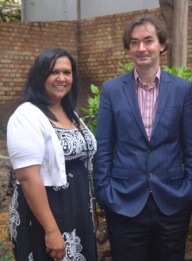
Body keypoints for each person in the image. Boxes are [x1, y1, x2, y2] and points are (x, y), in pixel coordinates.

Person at [93, 14, 192, 261]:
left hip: (173, 202)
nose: (141, 48)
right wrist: (104, 193)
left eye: (148, 40)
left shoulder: (182, 89)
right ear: (129, 48)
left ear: (161, 45)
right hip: (123, 201)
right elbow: (103, 147)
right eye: (134, 42)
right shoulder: (112, 90)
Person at [7, 48, 98, 261]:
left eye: (67, 72)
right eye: (54, 72)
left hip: (77, 209)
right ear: (40, 76)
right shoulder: (26, 116)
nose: (62, 78)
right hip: (46, 216)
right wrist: (51, 230)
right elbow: (28, 178)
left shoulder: (69, 111)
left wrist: (90, 211)